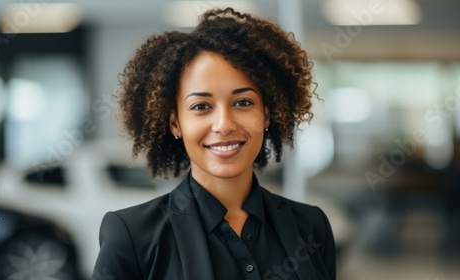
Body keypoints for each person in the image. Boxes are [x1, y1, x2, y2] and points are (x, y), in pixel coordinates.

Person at [93, 8, 335, 280]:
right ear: (175, 123)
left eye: (243, 102)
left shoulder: (311, 226)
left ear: (266, 114)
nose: (224, 124)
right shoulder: (131, 236)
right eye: (201, 106)